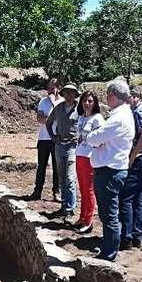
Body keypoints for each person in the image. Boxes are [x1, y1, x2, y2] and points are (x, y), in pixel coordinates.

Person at [84, 79, 135, 261]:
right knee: (108, 213)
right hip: (111, 169)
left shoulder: (118, 118)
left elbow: (95, 138)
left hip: (109, 171)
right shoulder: (122, 115)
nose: (106, 98)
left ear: (113, 96)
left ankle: (109, 253)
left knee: (109, 214)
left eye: (107, 95)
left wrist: (88, 135)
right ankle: (108, 248)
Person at [119, 87, 142, 250]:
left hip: (139, 160)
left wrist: (133, 154)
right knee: (137, 198)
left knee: (126, 199)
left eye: (127, 99)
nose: (126, 102)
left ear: (135, 97)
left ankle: (126, 237)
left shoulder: (139, 112)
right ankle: (136, 235)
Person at [46, 84, 81, 219]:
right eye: (66, 92)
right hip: (60, 145)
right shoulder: (58, 108)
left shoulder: (80, 108)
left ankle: (70, 209)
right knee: (61, 177)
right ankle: (64, 206)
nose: (69, 95)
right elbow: (49, 122)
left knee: (70, 177)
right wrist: (53, 137)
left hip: (73, 146)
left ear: (75, 94)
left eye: (71, 93)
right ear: (63, 94)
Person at [73, 90, 105, 233]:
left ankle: (88, 220)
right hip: (79, 155)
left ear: (95, 103)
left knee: (89, 190)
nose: (87, 103)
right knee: (82, 189)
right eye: (85, 100)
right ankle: (82, 216)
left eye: (90, 101)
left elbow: (101, 139)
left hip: (90, 157)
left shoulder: (97, 118)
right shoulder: (81, 118)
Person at [29, 78, 62, 201]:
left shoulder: (62, 102)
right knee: (41, 166)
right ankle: (37, 191)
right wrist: (52, 118)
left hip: (57, 138)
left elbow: (62, 120)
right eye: (48, 88)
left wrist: (53, 105)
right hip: (43, 138)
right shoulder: (43, 101)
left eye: (52, 88)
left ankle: (56, 192)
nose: (50, 91)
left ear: (58, 88)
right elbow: (39, 118)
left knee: (57, 166)